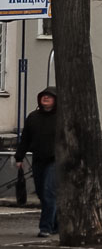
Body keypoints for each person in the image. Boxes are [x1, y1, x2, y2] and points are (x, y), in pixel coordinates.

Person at [15, 87, 58, 237]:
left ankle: (45, 227)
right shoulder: (33, 117)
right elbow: (25, 139)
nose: (45, 98)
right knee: (41, 192)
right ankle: (56, 224)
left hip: (55, 160)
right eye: (43, 96)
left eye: (49, 96)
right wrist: (19, 157)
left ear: (56, 100)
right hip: (39, 159)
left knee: (48, 192)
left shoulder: (61, 117)